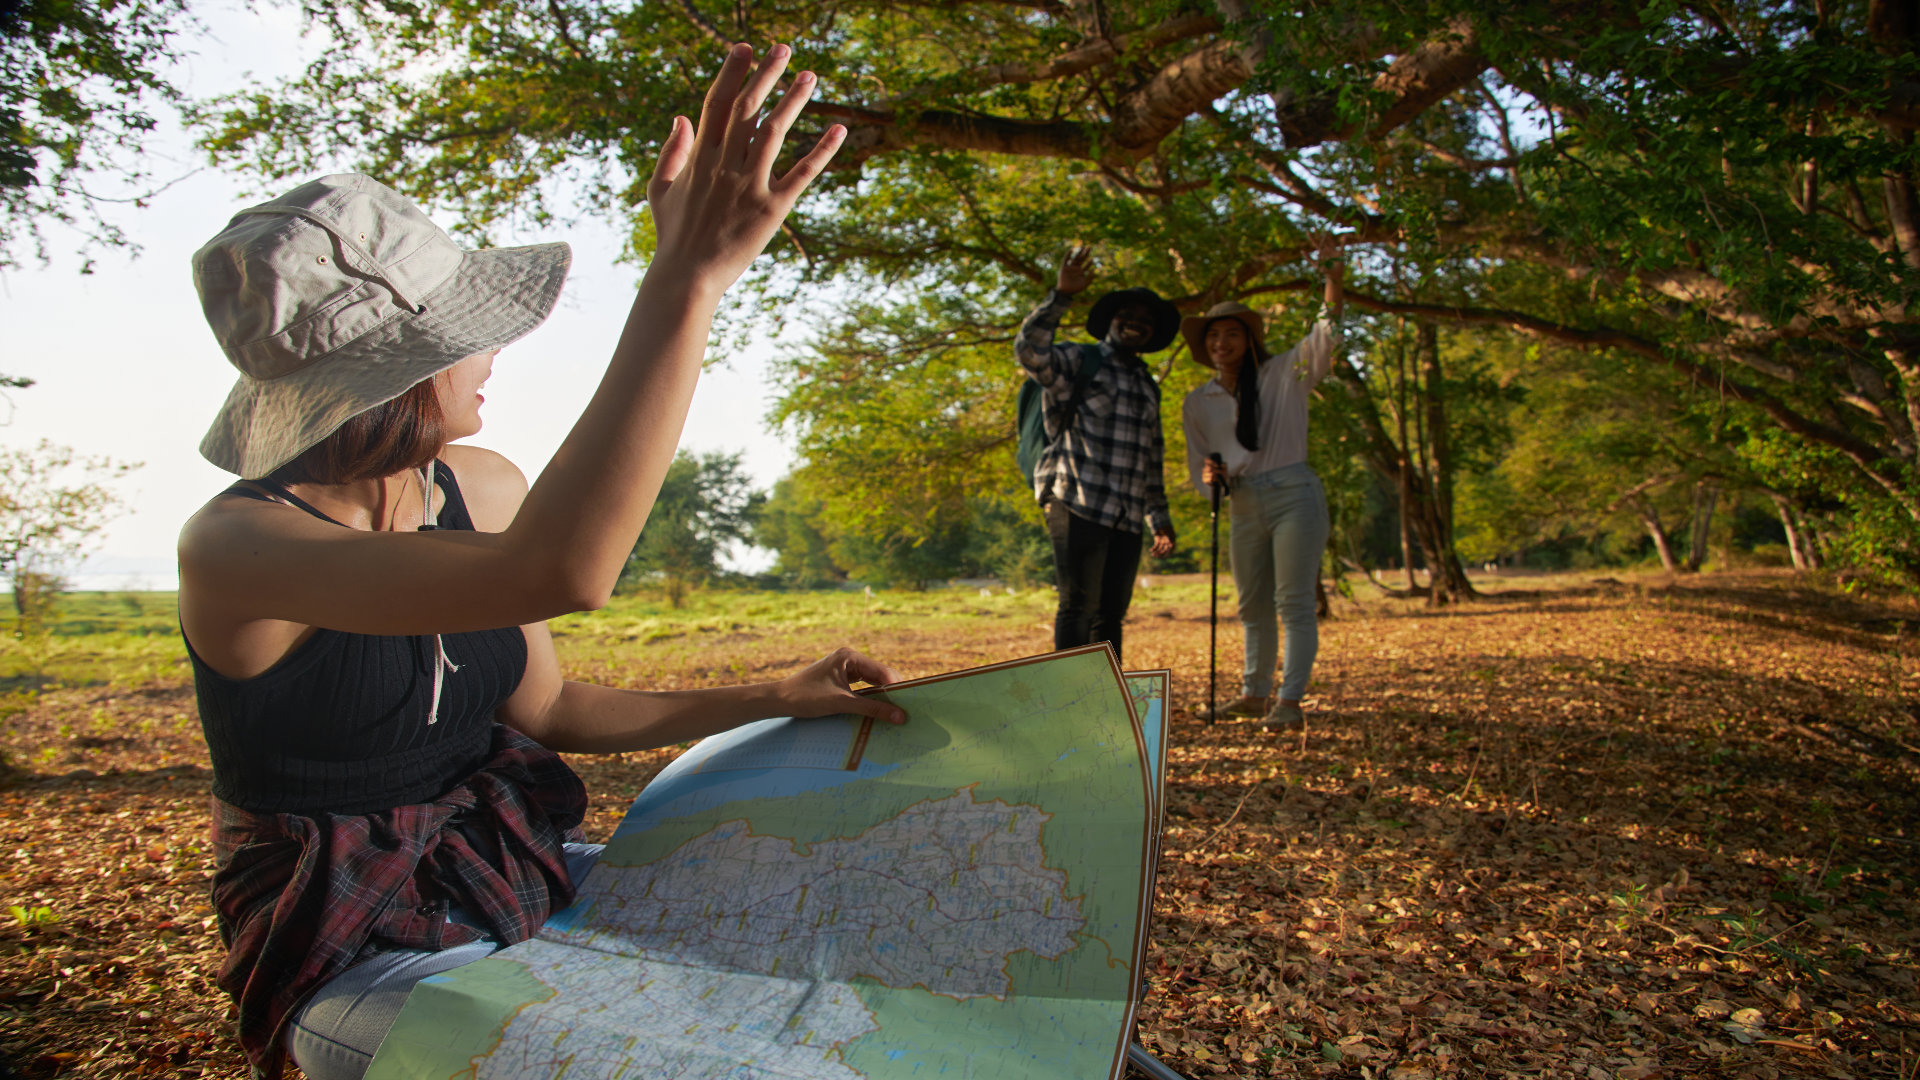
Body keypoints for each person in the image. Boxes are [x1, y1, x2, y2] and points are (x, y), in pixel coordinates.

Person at [176, 46, 907, 1080]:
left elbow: (554, 708)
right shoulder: (239, 546)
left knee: (857, 927)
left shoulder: (479, 483)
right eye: (469, 334)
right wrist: (687, 279)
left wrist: (773, 695)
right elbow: (567, 568)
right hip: (351, 952)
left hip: (503, 873)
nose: (494, 354)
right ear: (401, 373)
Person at [1180, 242, 1346, 731]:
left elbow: (1327, 332)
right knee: (1251, 604)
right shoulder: (1199, 401)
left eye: (1232, 334)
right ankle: (1254, 693)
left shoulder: (1285, 373)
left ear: (1250, 339)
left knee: (1292, 600)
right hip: (1244, 500)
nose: (1221, 344)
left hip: (1295, 491)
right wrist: (1211, 479)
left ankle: (1289, 702)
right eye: (1213, 337)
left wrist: (1333, 277)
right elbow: (1200, 467)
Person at [1015, 246, 1178, 665]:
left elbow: (1151, 458)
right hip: (1077, 500)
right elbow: (1030, 352)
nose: (1136, 325)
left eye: (1145, 321)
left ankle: (1106, 707)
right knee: (1077, 607)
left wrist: (1159, 519)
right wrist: (1061, 295)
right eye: (1128, 316)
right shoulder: (1080, 361)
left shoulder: (1148, 386)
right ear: (1110, 321)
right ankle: (1069, 707)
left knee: (1111, 617)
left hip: (1126, 516)